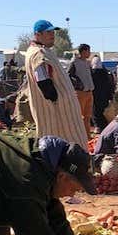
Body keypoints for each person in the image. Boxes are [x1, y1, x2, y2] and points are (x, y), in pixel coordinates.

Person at [25, 20, 88, 148]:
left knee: (61, 143)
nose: (52, 35)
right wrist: (55, 100)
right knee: (62, 143)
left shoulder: (42, 50)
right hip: (56, 110)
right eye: (48, 32)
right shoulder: (38, 53)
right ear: (38, 34)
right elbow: (43, 80)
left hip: (59, 107)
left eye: (53, 32)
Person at [68, 44, 95, 137]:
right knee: (78, 116)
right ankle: (78, 136)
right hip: (80, 93)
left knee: (87, 117)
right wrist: (79, 84)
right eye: (88, 51)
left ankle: (87, 136)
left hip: (89, 92)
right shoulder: (74, 62)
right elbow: (69, 76)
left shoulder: (88, 63)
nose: (90, 53)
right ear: (83, 51)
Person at [91, 56, 114, 131]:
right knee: (103, 111)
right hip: (104, 96)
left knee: (96, 111)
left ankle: (97, 126)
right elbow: (110, 85)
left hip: (95, 95)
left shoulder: (92, 73)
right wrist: (110, 95)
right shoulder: (105, 73)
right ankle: (104, 126)